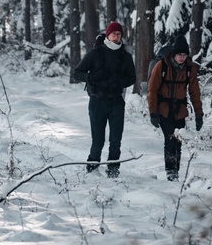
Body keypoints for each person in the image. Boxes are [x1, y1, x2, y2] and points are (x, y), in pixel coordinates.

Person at [73, 22, 136, 178]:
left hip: (116, 102)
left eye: (119, 34)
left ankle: (113, 170)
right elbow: (77, 73)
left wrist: (120, 79)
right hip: (97, 101)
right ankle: (92, 168)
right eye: (113, 34)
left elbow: (132, 78)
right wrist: (92, 77)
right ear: (107, 35)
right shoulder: (95, 53)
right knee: (98, 140)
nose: (116, 37)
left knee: (116, 140)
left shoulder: (125, 56)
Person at [148, 34, 203, 182]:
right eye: (179, 54)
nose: (182, 58)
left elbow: (194, 92)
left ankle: (176, 171)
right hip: (164, 108)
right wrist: (153, 112)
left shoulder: (189, 69)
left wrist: (199, 114)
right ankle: (171, 171)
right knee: (170, 138)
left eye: (184, 55)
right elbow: (152, 90)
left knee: (179, 140)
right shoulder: (162, 66)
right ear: (174, 54)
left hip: (180, 110)